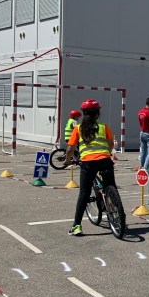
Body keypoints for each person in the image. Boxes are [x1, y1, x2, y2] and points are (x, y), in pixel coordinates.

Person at [65, 99, 116, 237]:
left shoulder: (78, 128)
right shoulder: (103, 127)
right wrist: (108, 152)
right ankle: (115, 208)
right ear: (97, 113)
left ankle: (76, 225)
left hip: (88, 163)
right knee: (110, 186)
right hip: (105, 160)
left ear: (83, 113)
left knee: (84, 193)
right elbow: (111, 143)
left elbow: (70, 148)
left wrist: (68, 161)